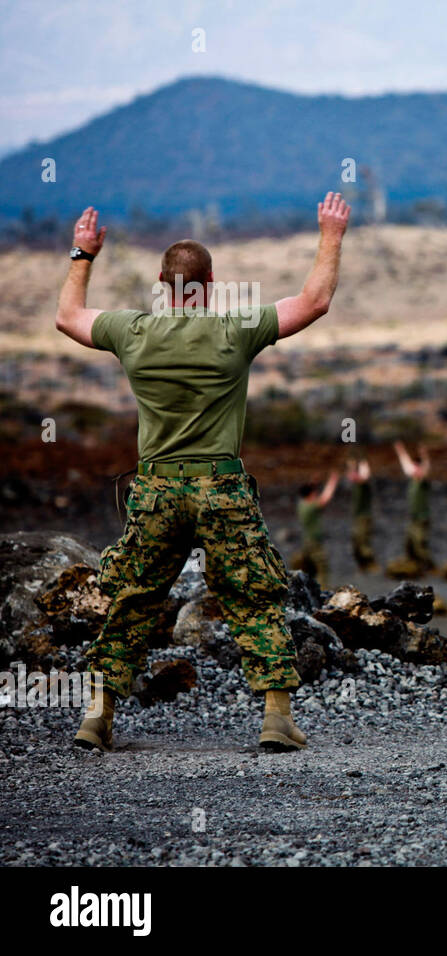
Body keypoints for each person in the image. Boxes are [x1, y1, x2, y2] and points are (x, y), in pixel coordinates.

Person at [59, 192, 352, 752]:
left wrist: (83, 253)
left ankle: (97, 718)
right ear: (211, 282)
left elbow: (66, 318)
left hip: (156, 489)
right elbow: (314, 301)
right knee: (255, 597)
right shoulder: (234, 330)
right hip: (221, 488)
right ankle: (275, 720)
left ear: (160, 284)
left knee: (133, 600)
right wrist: (330, 233)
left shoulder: (132, 332)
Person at [386, 441, 435, 578]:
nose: (414, 470)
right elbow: (406, 465)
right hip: (413, 518)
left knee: (420, 544)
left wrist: (424, 455)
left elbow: (426, 468)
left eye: (417, 467)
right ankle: (413, 565)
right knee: (409, 543)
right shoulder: (414, 479)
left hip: (421, 518)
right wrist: (401, 450)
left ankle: (428, 567)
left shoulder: (422, 480)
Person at [292, 470, 338, 587]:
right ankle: (323, 590)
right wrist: (332, 482)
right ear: (310, 495)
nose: (315, 494)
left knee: (309, 568)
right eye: (314, 493)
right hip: (314, 543)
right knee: (322, 567)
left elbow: (308, 490)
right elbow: (325, 498)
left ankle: (308, 590)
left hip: (307, 542)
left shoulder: (301, 504)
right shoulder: (310, 507)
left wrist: (314, 481)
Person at [346, 457, 378, 573]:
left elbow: (365, 476)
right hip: (358, 517)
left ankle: (371, 565)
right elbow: (351, 476)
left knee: (363, 542)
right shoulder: (356, 483)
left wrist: (363, 463)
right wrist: (352, 466)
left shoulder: (364, 484)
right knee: (356, 542)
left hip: (364, 518)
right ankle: (362, 565)